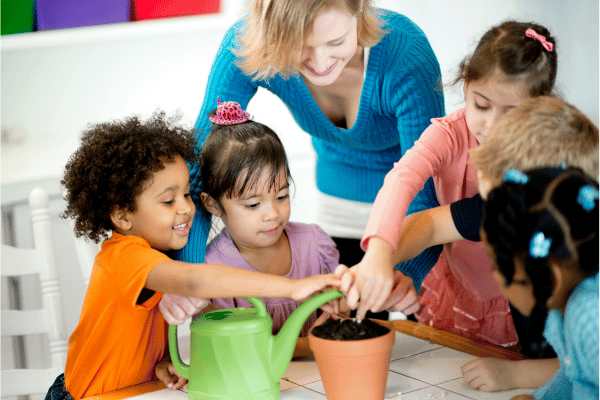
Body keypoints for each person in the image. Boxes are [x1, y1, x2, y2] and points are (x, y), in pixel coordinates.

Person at [45, 111, 340, 400]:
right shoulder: (124, 257)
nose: (186, 208)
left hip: (136, 391)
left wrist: (159, 365)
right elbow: (196, 282)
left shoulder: (162, 257)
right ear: (122, 215)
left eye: (186, 194)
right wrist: (292, 287)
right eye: (168, 200)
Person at [176, 0, 446, 312]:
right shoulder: (246, 44)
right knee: (335, 327)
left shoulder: (406, 54)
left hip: (412, 217)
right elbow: (197, 169)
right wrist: (186, 277)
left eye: (336, 42)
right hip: (337, 208)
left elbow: (427, 186)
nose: (319, 63)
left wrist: (406, 274)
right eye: (300, 47)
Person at [340, 96, 598, 391]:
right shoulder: (515, 205)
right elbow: (429, 224)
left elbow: (581, 364)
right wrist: (377, 263)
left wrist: (517, 376)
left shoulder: (589, 305)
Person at [345, 21, 558, 348]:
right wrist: (378, 253)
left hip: (524, 295)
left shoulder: (548, 155)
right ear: (465, 87)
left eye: (513, 113)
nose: (493, 126)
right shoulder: (449, 133)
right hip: (461, 286)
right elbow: (404, 178)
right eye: (481, 105)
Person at [160, 100, 340, 357]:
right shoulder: (213, 271)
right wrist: (310, 345)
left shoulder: (315, 244)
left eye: (281, 196)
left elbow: (339, 310)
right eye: (253, 204)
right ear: (213, 204)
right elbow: (235, 348)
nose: (273, 214)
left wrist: (338, 309)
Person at [482, 167, 598, 400]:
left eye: (501, 269)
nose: (495, 277)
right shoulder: (562, 307)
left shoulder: (591, 319)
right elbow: (574, 375)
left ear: (550, 278)